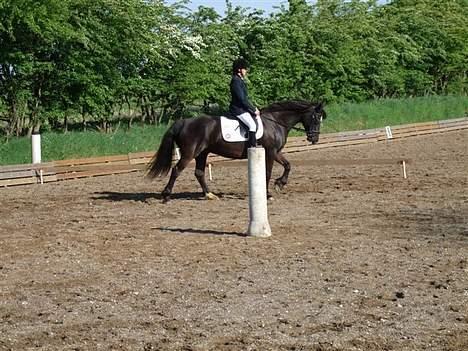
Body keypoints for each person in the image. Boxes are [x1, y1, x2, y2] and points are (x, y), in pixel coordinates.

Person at [229, 58, 260, 148]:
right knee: (252, 126)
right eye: (244, 69)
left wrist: (253, 107)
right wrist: (253, 109)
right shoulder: (236, 81)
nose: (246, 71)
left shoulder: (239, 80)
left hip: (242, 108)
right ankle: (252, 148)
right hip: (238, 110)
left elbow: (245, 98)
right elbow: (242, 99)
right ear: (239, 69)